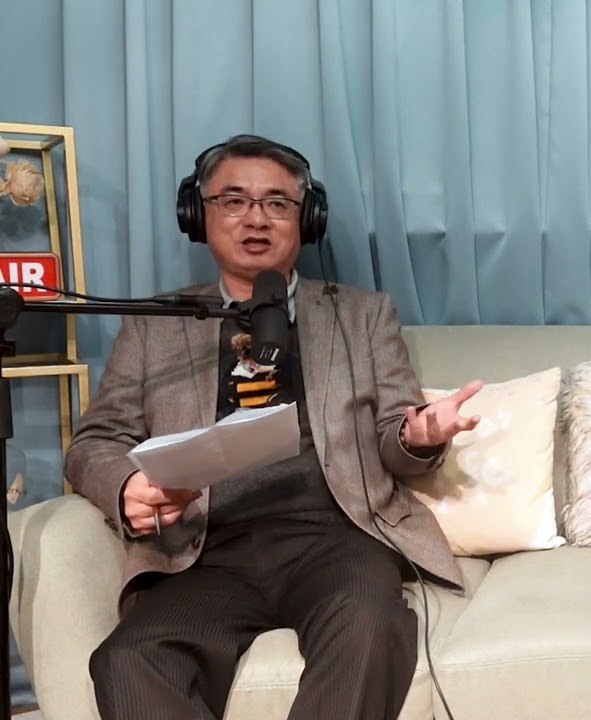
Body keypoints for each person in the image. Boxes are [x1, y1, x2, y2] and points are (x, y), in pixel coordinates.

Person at [65, 134, 483, 720]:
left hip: (336, 539)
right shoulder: (154, 324)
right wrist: (126, 486)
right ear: (198, 215)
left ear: (307, 220)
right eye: (234, 200)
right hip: (206, 551)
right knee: (128, 659)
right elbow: (96, 441)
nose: (256, 218)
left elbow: (395, 434)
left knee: (370, 624)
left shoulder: (362, 314)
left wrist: (417, 437)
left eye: (278, 203)